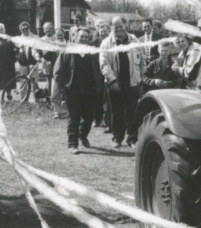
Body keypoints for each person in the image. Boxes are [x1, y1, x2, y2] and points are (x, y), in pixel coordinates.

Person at [54, 26, 103, 153]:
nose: (84, 39)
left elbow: (98, 71)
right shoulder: (67, 52)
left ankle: (82, 134)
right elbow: (58, 72)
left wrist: (98, 87)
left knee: (89, 117)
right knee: (74, 117)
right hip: (72, 91)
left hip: (89, 91)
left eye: (86, 37)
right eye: (81, 36)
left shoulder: (92, 53)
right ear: (76, 37)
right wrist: (63, 88)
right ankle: (72, 144)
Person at [99, 16, 144, 147]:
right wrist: (112, 81)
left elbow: (142, 61)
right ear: (111, 28)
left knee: (132, 112)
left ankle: (132, 139)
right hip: (115, 85)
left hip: (132, 83)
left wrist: (140, 79)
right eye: (115, 26)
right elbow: (104, 64)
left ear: (125, 25)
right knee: (116, 113)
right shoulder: (106, 43)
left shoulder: (134, 40)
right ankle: (117, 138)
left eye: (120, 26)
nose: (118, 28)